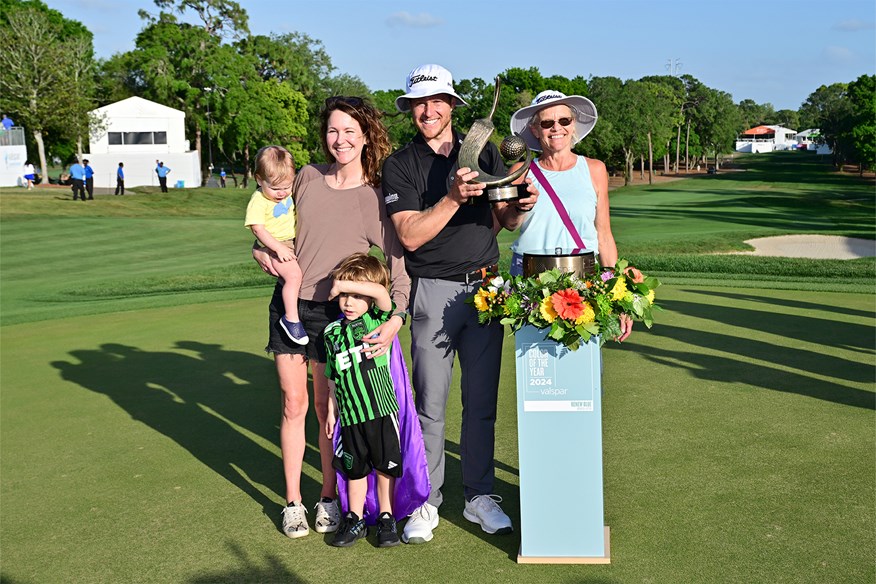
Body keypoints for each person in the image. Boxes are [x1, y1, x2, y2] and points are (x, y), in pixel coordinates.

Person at [381, 64, 538, 544]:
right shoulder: (400, 164)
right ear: (410, 109)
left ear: (452, 106)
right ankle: (427, 499)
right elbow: (409, 234)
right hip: (433, 289)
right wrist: (451, 197)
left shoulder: (483, 149)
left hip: (487, 290)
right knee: (429, 405)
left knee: (481, 404)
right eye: (417, 105)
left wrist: (518, 206)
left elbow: (503, 222)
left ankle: (478, 496)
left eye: (436, 102)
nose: (427, 111)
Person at [252, 96, 410, 540]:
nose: (339, 140)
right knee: (293, 405)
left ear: (365, 137)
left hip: (336, 319)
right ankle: (293, 503)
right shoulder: (305, 177)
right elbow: (270, 221)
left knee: (325, 409)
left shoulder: (374, 197)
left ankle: (327, 498)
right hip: (291, 310)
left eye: (349, 131)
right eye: (332, 131)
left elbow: (397, 265)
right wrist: (260, 249)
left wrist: (395, 315)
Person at [498, 90, 632, 341]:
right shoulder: (519, 170)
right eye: (547, 123)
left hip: (583, 281)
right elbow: (508, 223)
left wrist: (617, 296)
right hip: (530, 282)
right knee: (536, 374)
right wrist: (520, 206)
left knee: (580, 370)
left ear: (573, 127)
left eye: (564, 121)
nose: (556, 128)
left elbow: (603, 235)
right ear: (535, 130)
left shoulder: (595, 169)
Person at [323, 253, 403, 548]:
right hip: (350, 415)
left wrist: (341, 282)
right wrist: (332, 411)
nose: (348, 302)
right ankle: (355, 518)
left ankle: (386, 517)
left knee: (385, 466)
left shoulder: (377, 320)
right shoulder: (331, 333)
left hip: (381, 411)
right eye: (344, 295)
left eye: (357, 295)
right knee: (354, 469)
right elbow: (332, 379)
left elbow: (382, 293)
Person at [244, 146, 308, 345]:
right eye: (275, 188)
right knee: (294, 275)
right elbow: (258, 229)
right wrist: (278, 248)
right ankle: (291, 319)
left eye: (286, 187)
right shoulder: (259, 200)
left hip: (293, 243)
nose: (281, 193)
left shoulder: (288, 192)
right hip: (275, 246)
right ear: (259, 179)